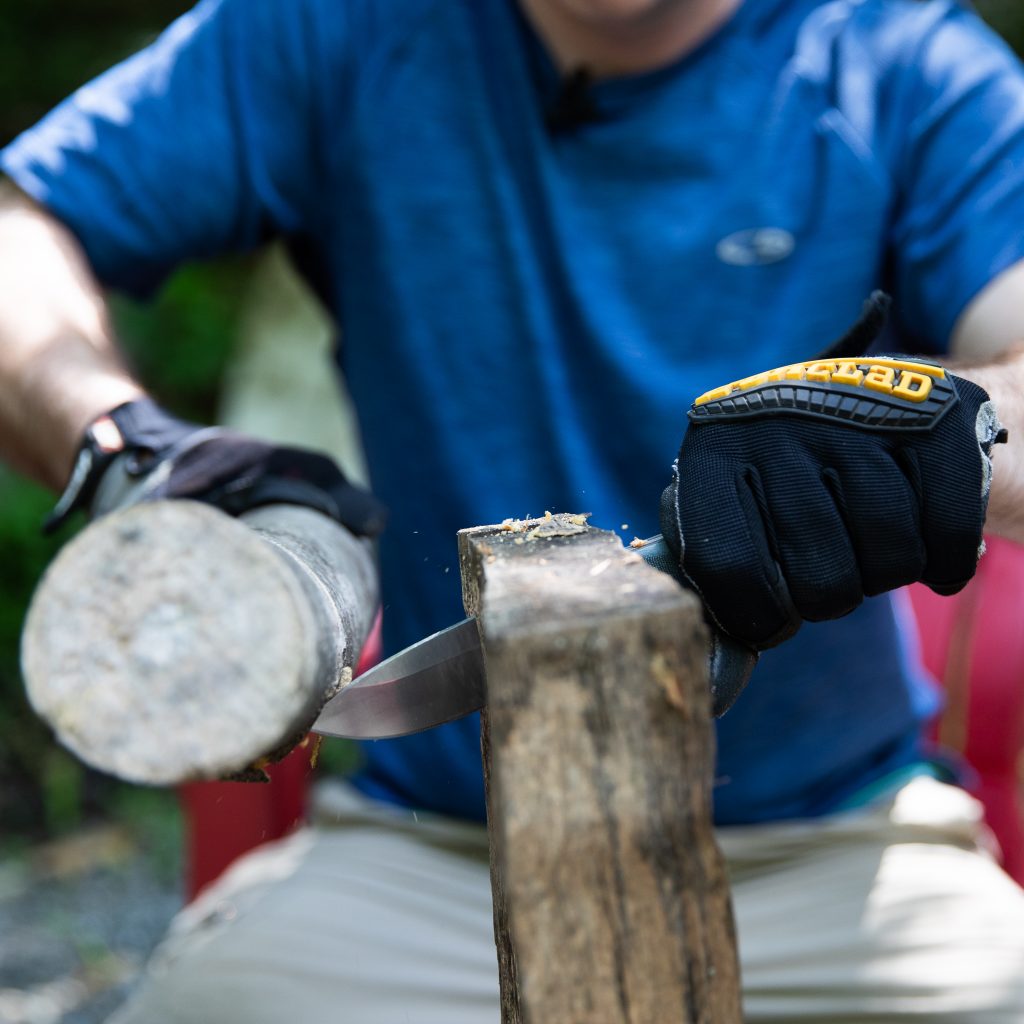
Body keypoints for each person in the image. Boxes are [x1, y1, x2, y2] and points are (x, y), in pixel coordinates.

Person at [2, 0, 1024, 1019]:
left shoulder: (902, 63)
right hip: (433, 849)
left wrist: (943, 429)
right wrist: (128, 452)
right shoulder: (335, 31)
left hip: (837, 849)